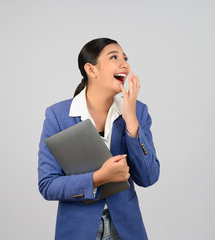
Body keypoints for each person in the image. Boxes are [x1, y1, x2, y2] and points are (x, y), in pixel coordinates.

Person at [38, 38, 160, 240]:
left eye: (125, 58)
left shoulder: (138, 111)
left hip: (127, 229)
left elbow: (149, 177)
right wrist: (99, 178)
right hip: (78, 230)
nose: (125, 64)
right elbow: (48, 185)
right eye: (114, 57)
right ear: (91, 69)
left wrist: (132, 124)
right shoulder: (58, 116)